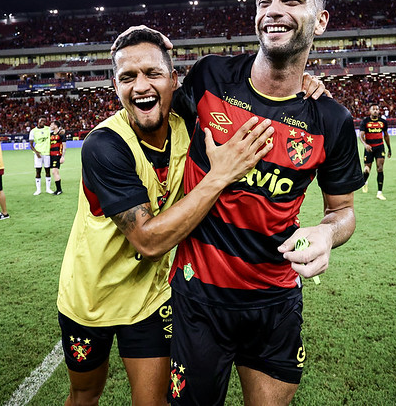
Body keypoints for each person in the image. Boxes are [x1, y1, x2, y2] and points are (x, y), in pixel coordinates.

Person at [165, 0, 365, 405]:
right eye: (264, 1)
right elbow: (153, 125)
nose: (273, 10)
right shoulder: (210, 77)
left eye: (291, 0)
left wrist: (329, 231)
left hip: (274, 303)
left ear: (321, 20)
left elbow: (343, 210)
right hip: (199, 298)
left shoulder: (330, 120)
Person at [56, 27, 276, 406]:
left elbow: (246, 87)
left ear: (175, 80)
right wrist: (219, 175)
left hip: (149, 298)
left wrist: (301, 79)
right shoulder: (103, 145)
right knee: (85, 394)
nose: (141, 86)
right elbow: (149, 240)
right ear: (115, 86)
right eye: (128, 77)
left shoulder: (189, 120)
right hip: (88, 297)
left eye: (153, 73)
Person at [358, 103, 392, 201]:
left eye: (377, 109)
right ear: (370, 111)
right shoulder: (365, 122)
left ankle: (379, 192)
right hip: (369, 148)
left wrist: (389, 148)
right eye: (373, 109)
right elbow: (361, 135)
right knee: (366, 170)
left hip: (380, 147)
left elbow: (386, 135)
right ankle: (365, 182)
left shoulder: (383, 122)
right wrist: (365, 145)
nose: (376, 111)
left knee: (380, 168)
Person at [29, 117, 51, 195]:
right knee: (38, 171)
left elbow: (57, 130)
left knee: (47, 170)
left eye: (45, 121)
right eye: (42, 120)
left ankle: (48, 189)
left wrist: (62, 131)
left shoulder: (48, 129)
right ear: (38, 121)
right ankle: (38, 190)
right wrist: (36, 152)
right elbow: (31, 144)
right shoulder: (33, 131)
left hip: (47, 153)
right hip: (38, 154)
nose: (43, 122)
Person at [47, 120, 66, 195]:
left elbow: (64, 146)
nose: (50, 126)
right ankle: (58, 190)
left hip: (57, 155)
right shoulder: (51, 134)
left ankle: (59, 189)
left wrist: (62, 157)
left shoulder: (61, 134)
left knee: (54, 172)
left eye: (52, 125)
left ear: (56, 126)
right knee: (55, 172)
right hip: (51, 155)